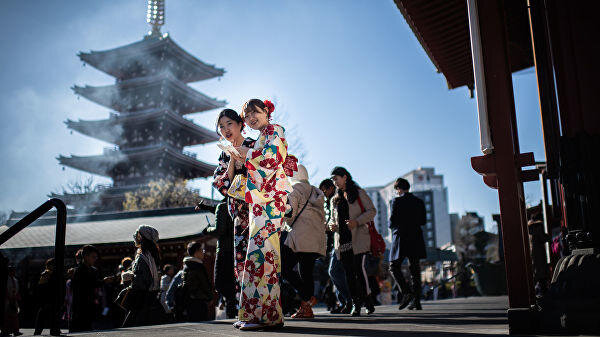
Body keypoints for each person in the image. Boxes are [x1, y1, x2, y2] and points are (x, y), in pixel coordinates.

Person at [231, 99, 297, 330]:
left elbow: (271, 159)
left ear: (266, 112)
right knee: (260, 253)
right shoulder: (263, 135)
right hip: (262, 201)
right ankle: (258, 314)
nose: (250, 118)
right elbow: (261, 160)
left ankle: (262, 316)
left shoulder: (274, 130)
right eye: (247, 115)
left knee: (263, 254)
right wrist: (245, 157)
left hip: (269, 201)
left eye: (255, 112)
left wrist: (248, 154)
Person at [212, 108, 257, 293]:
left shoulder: (253, 145)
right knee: (241, 259)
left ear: (240, 124)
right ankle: (246, 308)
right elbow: (223, 183)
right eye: (221, 126)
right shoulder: (224, 153)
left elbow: (265, 171)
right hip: (239, 213)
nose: (226, 129)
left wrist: (245, 156)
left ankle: (264, 306)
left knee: (259, 256)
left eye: (229, 124)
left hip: (257, 208)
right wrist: (232, 158)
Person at [328, 167, 377, 316]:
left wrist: (357, 221)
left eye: (336, 178)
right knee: (349, 273)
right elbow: (331, 218)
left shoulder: (358, 192)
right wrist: (331, 225)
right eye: (333, 179)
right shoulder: (334, 199)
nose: (334, 182)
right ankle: (356, 304)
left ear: (345, 177)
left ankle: (368, 301)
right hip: (341, 240)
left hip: (358, 238)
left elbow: (372, 211)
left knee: (358, 270)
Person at [281, 164, 326, 319]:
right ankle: (306, 307)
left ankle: (307, 297)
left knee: (284, 268)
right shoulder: (316, 192)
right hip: (315, 238)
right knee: (306, 272)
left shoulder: (295, 190)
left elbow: (289, 213)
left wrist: (281, 218)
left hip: (299, 236)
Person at [388, 177, 426, 311]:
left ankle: (406, 291)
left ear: (398, 189)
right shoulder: (419, 202)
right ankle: (417, 301)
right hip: (415, 237)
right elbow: (423, 221)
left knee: (393, 266)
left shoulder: (396, 201)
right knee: (415, 270)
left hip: (401, 238)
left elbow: (392, 222)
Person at [122, 225, 167, 327]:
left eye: (137, 234)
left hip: (141, 299)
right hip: (151, 296)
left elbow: (141, 280)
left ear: (141, 237)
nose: (135, 236)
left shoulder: (142, 257)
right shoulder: (152, 254)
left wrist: (130, 277)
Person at [320, 178, 351, 314]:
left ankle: (349, 300)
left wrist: (329, 226)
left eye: (324, 189)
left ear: (331, 188)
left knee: (334, 271)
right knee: (337, 273)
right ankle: (344, 302)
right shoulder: (329, 201)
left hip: (341, 242)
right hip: (335, 242)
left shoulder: (337, 199)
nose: (323, 192)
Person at [202, 202, 237, 318]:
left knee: (220, 282)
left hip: (224, 250)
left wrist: (207, 230)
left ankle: (231, 308)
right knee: (233, 281)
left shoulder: (222, 207)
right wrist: (208, 208)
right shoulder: (240, 204)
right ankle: (234, 307)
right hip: (238, 249)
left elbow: (219, 230)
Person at [70, 245, 101, 332]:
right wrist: (103, 282)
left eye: (96, 257)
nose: (95, 259)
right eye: (93, 257)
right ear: (86, 257)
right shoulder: (79, 271)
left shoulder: (93, 270)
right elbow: (88, 285)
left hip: (89, 304)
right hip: (80, 306)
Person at [180, 241, 214, 321]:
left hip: (188, 300)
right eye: (202, 250)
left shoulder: (187, 265)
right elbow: (204, 283)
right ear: (196, 252)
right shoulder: (197, 266)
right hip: (199, 300)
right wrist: (210, 297)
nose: (203, 253)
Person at [34, 258, 58, 335]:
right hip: (47, 299)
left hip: (48, 299)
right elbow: (42, 288)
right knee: (43, 317)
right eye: (53, 265)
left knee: (44, 317)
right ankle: (38, 332)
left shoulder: (51, 273)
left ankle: (38, 331)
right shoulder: (47, 274)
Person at [2, 265, 22, 337]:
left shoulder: (15, 280)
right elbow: (6, 290)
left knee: (15, 315)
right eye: (11, 270)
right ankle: (6, 330)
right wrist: (9, 297)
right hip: (7, 299)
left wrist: (17, 296)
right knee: (7, 315)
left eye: (13, 270)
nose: (13, 272)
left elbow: (17, 289)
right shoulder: (6, 279)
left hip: (14, 299)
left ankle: (16, 330)